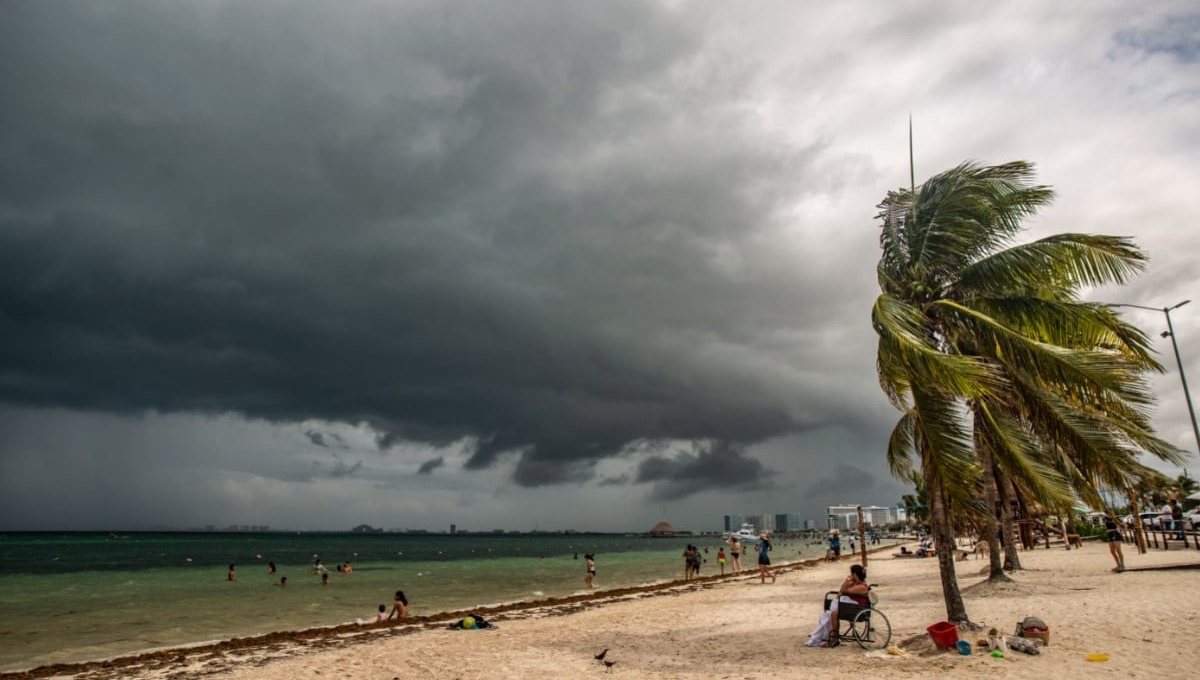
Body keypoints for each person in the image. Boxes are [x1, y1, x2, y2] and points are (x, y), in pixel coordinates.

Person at [806, 563, 870, 647]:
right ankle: (821, 636)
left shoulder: (862, 586)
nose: (850, 575)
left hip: (856, 609)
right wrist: (846, 584)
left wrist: (847, 581)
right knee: (828, 615)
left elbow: (843, 591)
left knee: (833, 613)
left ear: (854, 574)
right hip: (850, 606)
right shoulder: (854, 583)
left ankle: (834, 638)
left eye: (851, 574)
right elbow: (841, 591)